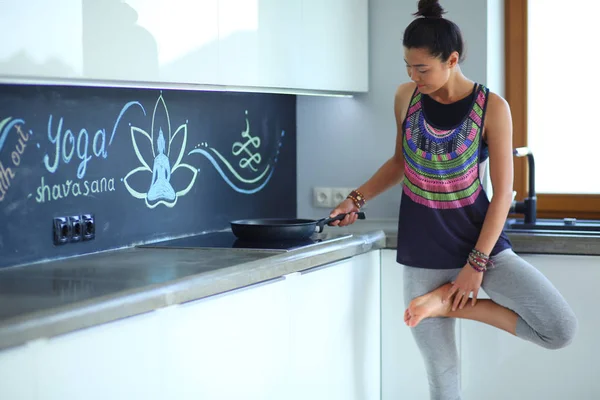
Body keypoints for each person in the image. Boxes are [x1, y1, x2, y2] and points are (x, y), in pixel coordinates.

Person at [328, 1, 578, 399]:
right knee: (442, 376)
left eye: (422, 68)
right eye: (408, 66)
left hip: (481, 247)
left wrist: (475, 267)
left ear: (453, 59)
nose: (413, 75)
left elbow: (503, 196)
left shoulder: (492, 108)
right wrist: (355, 199)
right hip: (422, 249)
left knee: (560, 330)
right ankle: (439, 301)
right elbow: (400, 163)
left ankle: (442, 302)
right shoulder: (405, 97)